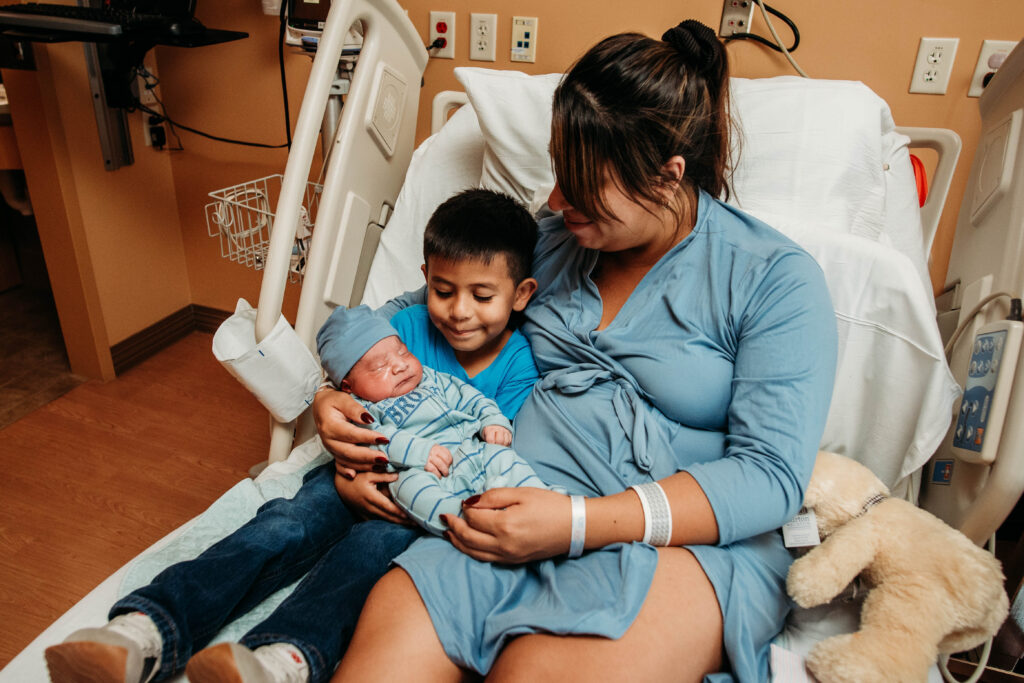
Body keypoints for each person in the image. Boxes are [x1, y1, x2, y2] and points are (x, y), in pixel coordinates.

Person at [317, 20, 838, 683]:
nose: (557, 200)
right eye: (559, 170)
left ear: (666, 176)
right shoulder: (553, 240)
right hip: (508, 505)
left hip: (681, 542)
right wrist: (333, 397)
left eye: (583, 184)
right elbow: (401, 315)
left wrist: (576, 523)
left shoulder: (775, 281)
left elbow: (769, 475)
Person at [44, 188, 540, 683]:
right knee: (282, 525)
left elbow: (496, 446)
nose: (458, 312)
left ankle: (281, 661)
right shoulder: (405, 324)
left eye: (481, 296)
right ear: (424, 281)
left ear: (520, 295)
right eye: (443, 290)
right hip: (354, 467)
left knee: (364, 559)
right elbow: (342, 364)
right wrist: (329, 408)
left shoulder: (518, 364)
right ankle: (144, 630)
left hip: (416, 501)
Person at [317, 306, 549, 534]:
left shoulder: (430, 379)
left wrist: (493, 420)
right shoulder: (359, 408)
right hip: (415, 468)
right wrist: (419, 452)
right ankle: (468, 521)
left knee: (502, 457)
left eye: (403, 352)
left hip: (468, 449)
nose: (400, 365)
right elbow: (375, 440)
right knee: (411, 490)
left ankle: (544, 501)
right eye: (380, 366)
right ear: (348, 387)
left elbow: (470, 397)